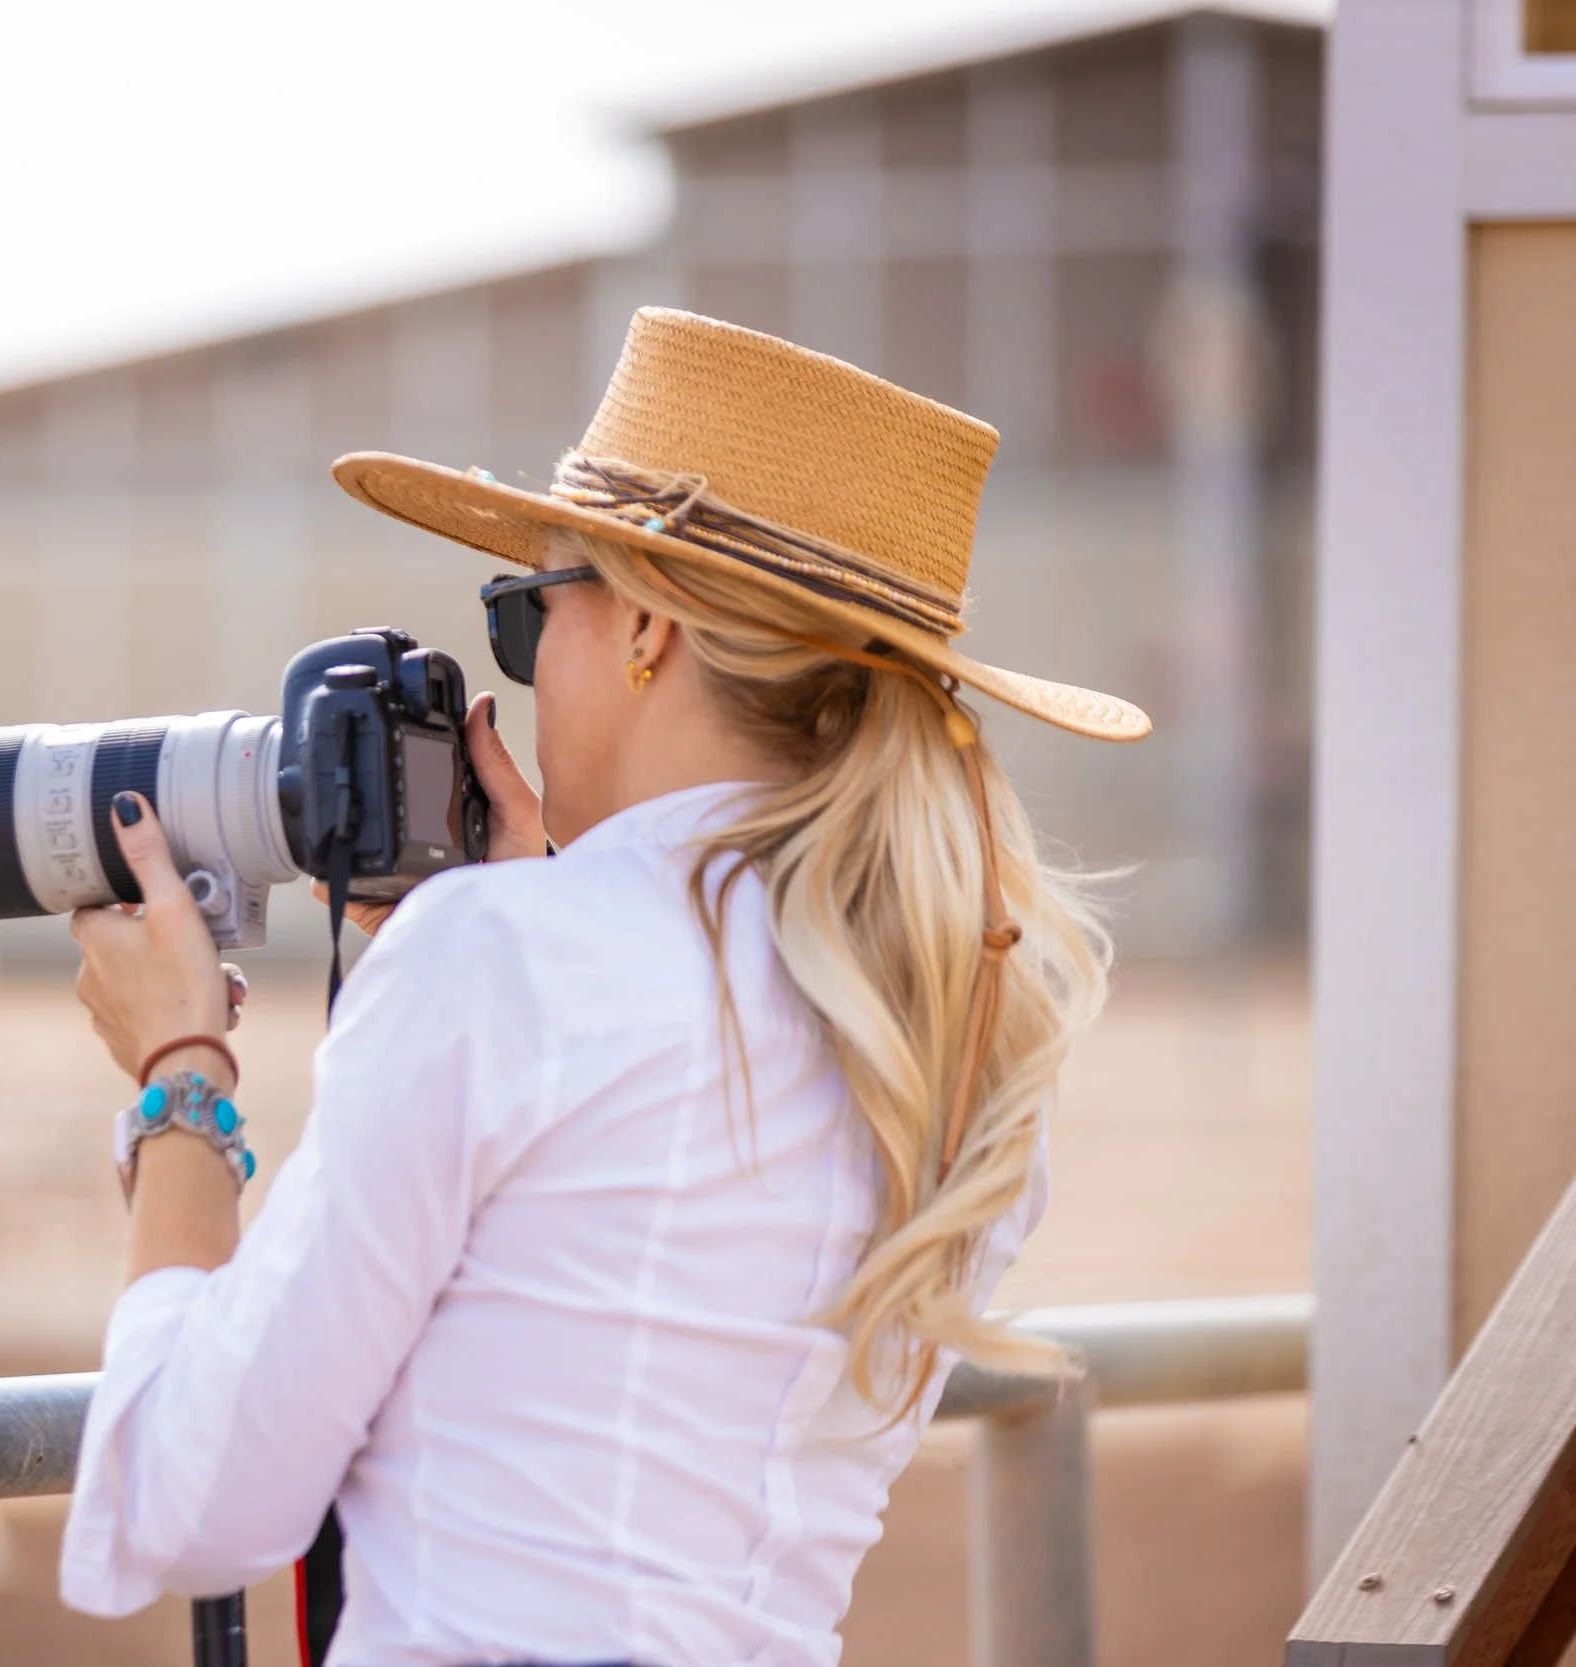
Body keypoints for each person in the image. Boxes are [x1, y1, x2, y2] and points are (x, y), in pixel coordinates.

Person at [59, 308, 1147, 1667]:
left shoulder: (506, 961)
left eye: (529, 612)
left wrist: (181, 1078)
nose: (524, 668)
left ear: (643, 625)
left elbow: (193, 1508)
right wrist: (524, 913)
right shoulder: (953, 1023)